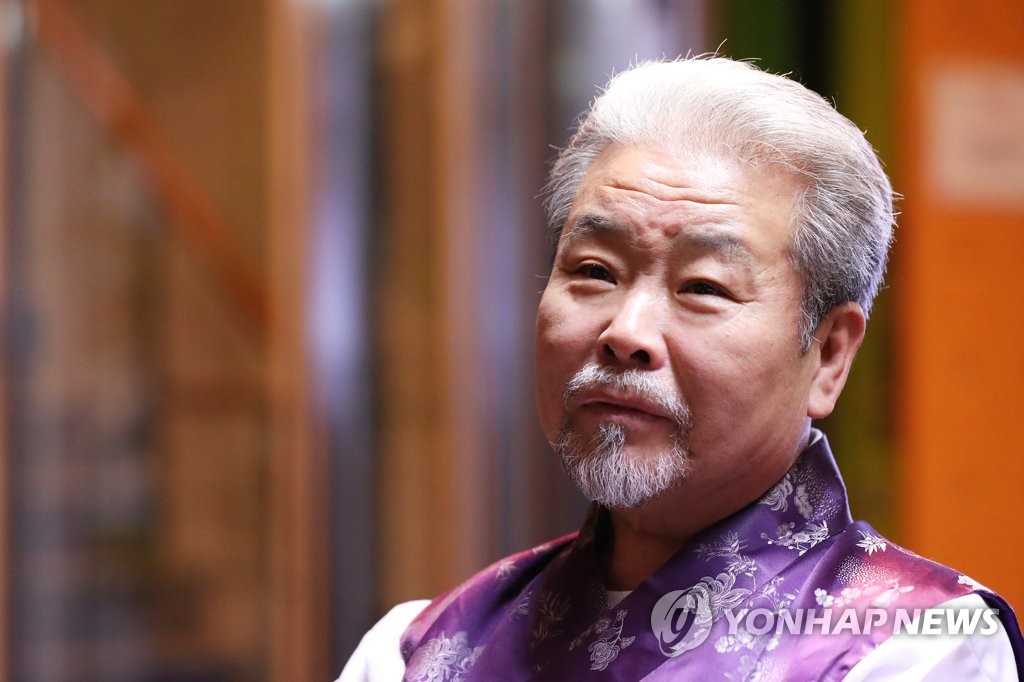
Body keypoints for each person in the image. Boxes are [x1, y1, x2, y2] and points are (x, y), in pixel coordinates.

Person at [340, 56, 1024, 680]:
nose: (626, 333)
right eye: (594, 270)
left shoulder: (919, 644)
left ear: (829, 355)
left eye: (703, 286)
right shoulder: (414, 649)